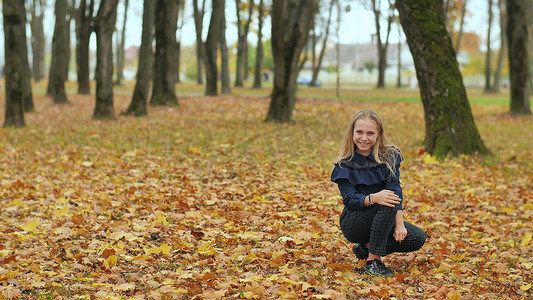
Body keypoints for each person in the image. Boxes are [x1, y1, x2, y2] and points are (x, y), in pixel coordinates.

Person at [330, 109, 426, 277]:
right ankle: (373, 262)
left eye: (370, 133)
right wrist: (373, 198)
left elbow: (396, 190)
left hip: (384, 216)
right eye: (359, 132)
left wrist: (400, 225)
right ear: (352, 133)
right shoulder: (344, 164)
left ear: (378, 134)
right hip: (355, 221)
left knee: (417, 237)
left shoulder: (390, 156)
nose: (364, 138)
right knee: (386, 199)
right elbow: (350, 200)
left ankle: (365, 248)